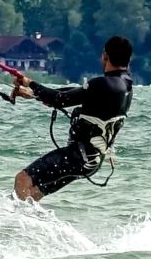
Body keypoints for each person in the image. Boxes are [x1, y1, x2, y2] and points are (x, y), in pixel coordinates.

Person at [12, 36, 134, 201]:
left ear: (105, 55)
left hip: (76, 157)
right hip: (91, 162)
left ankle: (21, 224)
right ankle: (39, 225)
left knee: (22, 180)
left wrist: (31, 83)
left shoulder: (103, 84)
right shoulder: (124, 86)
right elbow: (71, 94)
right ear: (128, 59)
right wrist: (34, 93)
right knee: (32, 195)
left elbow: (60, 99)